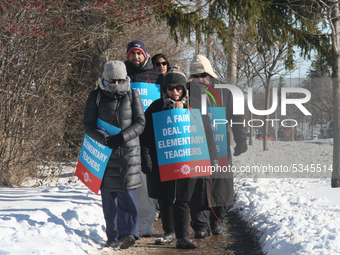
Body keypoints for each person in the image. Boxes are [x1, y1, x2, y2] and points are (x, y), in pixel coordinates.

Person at [140, 67, 218, 249]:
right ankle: (169, 233)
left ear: (184, 89)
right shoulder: (155, 108)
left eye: (178, 88)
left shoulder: (195, 107)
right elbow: (145, 135)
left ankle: (183, 237)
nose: (174, 92)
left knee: (182, 198)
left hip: (187, 160)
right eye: (170, 88)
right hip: (161, 160)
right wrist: (145, 155)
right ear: (164, 89)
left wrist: (212, 159)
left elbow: (207, 135)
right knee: (164, 197)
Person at [83, 60, 145, 249]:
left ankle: (128, 234)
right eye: (112, 79)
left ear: (125, 78)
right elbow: (88, 124)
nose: (116, 84)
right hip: (105, 153)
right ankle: (112, 235)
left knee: (128, 195)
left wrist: (122, 137)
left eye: (119, 80)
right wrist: (104, 138)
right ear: (105, 77)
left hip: (129, 153)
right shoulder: (96, 96)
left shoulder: (133, 95)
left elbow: (140, 123)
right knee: (109, 198)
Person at [189, 55, 247, 238]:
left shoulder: (225, 91)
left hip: (220, 145)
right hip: (196, 147)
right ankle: (200, 223)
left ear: (210, 74)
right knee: (198, 185)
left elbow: (237, 117)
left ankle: (218, 219)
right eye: (195, 76)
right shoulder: (187, 92)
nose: (200, 79)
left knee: (221, 183)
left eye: (203, 74)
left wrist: (241, 139)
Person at [125, 40, 164, 237]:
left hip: (152, 135)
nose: (136, 57)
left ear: (145, 55)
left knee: (149, 179)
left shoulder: (157, 77)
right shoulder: (121, 77)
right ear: (127, 56)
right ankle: (132, 224)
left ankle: (147, 224)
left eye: (139, 53)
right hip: (127, 135)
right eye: (132, 53)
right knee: (132, 181)